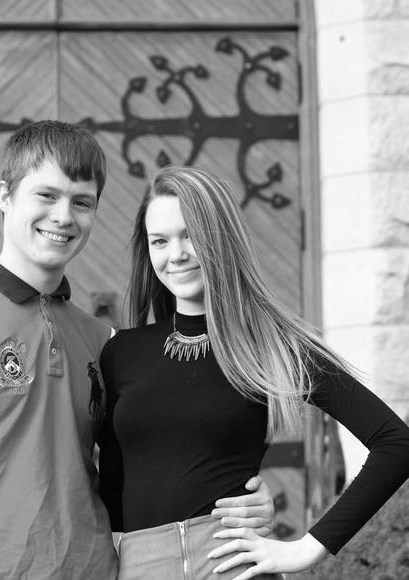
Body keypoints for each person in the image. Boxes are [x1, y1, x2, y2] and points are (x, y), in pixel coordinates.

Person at [0, 122, 274, 580]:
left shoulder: (105, 342)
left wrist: (242, 498)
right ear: (5, 196)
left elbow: (154, 463)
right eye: (46, 195)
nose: (64, 216)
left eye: (81, 202)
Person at [98, 165, 409, 580]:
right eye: (160, 241)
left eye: (191, 235)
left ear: (219, 238)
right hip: (139, 566)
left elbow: (395, 442)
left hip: (233, 565)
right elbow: (108, 491)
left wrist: (306, 548)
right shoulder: (121, 352)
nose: (177, 254)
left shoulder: (271, 345)